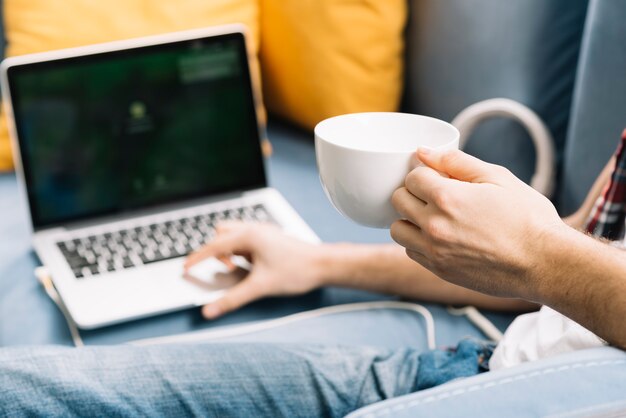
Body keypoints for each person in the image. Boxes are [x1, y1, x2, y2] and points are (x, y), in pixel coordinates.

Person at [1, 132, 625, 417]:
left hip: (535, 396)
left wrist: (538, 252)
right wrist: (316, 262)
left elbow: (547, 256)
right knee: (26, 386)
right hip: (461, 369)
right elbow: (577, 253)